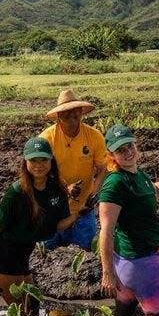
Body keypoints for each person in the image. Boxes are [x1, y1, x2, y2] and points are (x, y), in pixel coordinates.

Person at [0, 137, 77, 316]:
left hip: (23, 255)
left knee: (33, 307)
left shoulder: (57, 189)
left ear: (51, 161)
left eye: (43, 160)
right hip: (3, 257)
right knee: (22, 314)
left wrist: (78, 215)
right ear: (25, 163)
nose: (39, 165)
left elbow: (56, 226)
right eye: (33, 160)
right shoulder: (16, 192)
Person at [98, 124, 159, 316]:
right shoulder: (115, 184)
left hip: (127, 266)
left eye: (130, 146)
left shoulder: (137, 175)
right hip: (143, 265)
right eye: (120, 150)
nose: (128, 152)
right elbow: (106, 230)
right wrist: (107, 274)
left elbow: (155, 190)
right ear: (111, 155)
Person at [38, 89, 108, 251]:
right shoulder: (46, 139)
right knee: (47, 251)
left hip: (83, 207)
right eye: (65, 111)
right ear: (58, 115)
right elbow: (40, 174)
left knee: (87, 250)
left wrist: (94, 194)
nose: (71, 114)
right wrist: (64, 189)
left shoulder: (94, 136)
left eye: (75, 110)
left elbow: (103, 169)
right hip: (52, 208)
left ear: (81, 111)